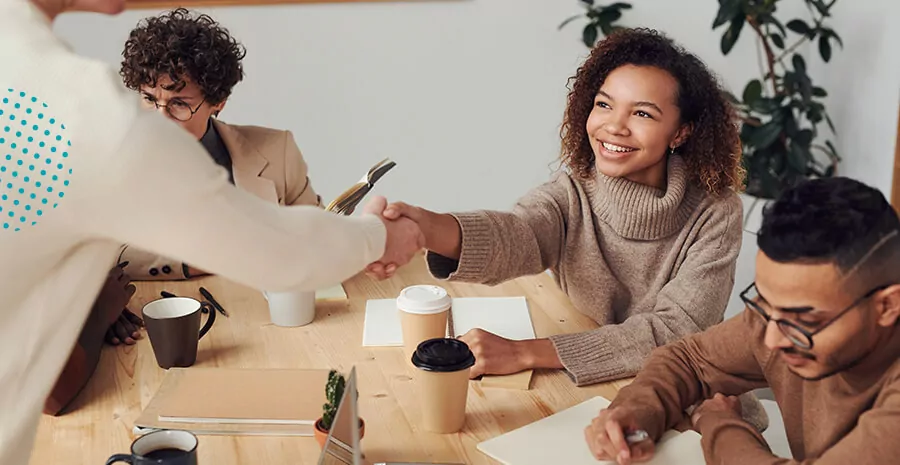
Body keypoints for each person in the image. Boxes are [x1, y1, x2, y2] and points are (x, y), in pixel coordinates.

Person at [0, 0, 421, 462]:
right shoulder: (88, 114)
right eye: (151, 100)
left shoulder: (35, 81)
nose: (161, 116)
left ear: (216, 101)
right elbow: (278, 251)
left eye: (180, 104)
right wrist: (377, 236)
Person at [376, 29, 747, 385]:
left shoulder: (715, 212)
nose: (614, 126)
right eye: (604, 104)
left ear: (681, 132)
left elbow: (676, 330)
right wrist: (424, 227)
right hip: (585, 383)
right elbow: (518, 234)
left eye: (642, 114)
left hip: (681, 394)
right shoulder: (574, 190)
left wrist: (527, 353)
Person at [585, 177, 900, 465]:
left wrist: (719, 423)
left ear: (888, 305)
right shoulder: (777, 320)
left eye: (804, 320)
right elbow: (689, 361)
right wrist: (636, 411)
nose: (772, 340)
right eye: (764, 302)